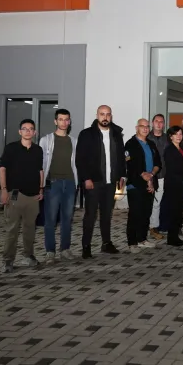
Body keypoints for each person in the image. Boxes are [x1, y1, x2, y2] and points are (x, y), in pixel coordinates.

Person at [75, 105, 126, 259]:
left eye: (108, 114)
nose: (105, 117)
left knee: (106, 215)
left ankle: (106, 243)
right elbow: (80, 159)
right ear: (97, 115)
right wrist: (86, 178)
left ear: (111, 116)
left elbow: (121, 157)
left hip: (111, 182)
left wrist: (122, 176)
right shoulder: (86, 134)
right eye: (102, 114)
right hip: (94, 181)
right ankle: (86, 246)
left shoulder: (116, 134)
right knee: (90, 215)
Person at [0, 119, 44, 272]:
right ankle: (8, 260)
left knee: (30, 228)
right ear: (20, 132)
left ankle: (28, 256)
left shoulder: (38, 150)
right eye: (24, 129)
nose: (28, 131)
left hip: (33, 196)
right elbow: (3, 169)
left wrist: (41, 189)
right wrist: (4, 190)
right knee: (12, 228)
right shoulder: (11, 148)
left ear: (34, 132)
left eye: (31, 129)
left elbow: (40, 170)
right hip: (15, 194)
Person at [40, 108, 77, 263]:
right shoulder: (46, 140)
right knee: (50, 219)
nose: (64, 122)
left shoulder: (73, 141)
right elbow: (41, 164)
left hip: (70, 182)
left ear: (69, 121)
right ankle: (50, 251)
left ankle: (65, 249)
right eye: (60, 119)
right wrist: (41, 185)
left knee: (67, 218)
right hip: (53, 183)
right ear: (55, 121)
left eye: (66, 119)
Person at [124, 119, 162, 252]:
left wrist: (151, 174)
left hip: (150, 184)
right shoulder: (130, 144)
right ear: (137, 128)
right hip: (135, 185)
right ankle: (132, 243)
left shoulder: (151, 144)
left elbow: (158, 163)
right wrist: (143, 174)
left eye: (147, 126)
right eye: (142, 126)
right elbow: (130, 164)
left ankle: (142, 239)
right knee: (135, 214)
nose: (145, 129)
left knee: (146, 212)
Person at [163, 125, 183, 247]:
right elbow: (172, 169)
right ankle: (172, 238)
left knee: (178, 211)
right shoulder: (169, 150)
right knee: (173, 211)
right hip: (173, 184)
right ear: (171, 136)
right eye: (176, 134)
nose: (179, 136)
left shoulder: (181, 148)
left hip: (181, 184)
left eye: (180, 134)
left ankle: (175, 236)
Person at [147, 114, 169, 240]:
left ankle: (153, 227)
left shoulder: (168, 139)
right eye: (156, 121)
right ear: (152, 123)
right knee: (146, 203)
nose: (159, 124)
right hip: (147, 176)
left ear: (164, 124)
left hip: (162, 176)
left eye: (161, 122)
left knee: (157, 203)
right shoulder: (146, 137)